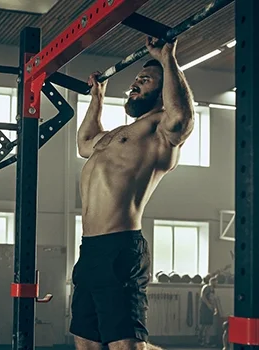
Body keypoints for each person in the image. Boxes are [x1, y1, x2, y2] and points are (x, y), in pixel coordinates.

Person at [69, 36, 195, 350]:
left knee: (124, 345)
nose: (135, 84)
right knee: (86, 342)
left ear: (163, 89)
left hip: (120, 249)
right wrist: (97, 98)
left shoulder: (160, 132)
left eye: (145, 79)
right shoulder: (115, 136)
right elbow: (84, 144)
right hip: (90, 250)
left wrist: (167, 58)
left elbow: (181, 117)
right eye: (136, 79)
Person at [198, 276, 218, 347]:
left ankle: (207, 341)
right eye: (215, 282)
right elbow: (203, 297)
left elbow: (213, 299)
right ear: (212, 282)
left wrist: (215, 308)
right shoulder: (207, 287)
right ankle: (201, 340)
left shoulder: (213, 290)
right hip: (205, 308)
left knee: (209, 325)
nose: (216, 284)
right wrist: (208, 304)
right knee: (204, 324)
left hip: (210, 309)